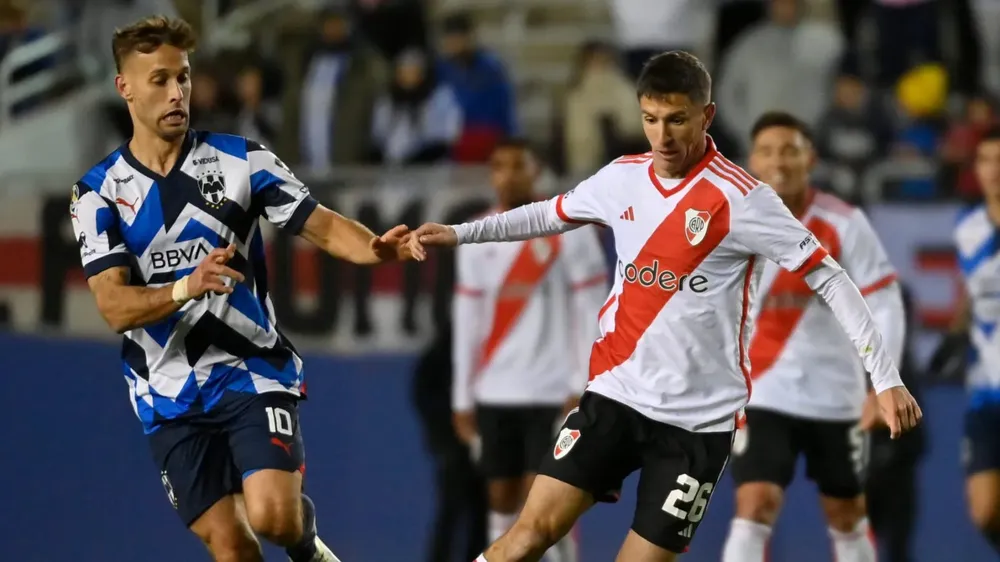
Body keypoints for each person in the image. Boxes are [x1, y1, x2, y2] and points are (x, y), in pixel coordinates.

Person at [412, 50, 922, 562]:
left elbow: (831, 279)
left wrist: (885, 378)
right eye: (650, 119)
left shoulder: (743, 199)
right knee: (527, 535)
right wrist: (458, 234)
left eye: (677, 120)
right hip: (616, 397)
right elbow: (548, 214)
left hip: (697, 425)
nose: (663, 137)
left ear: (707, 115)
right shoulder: (622, 178)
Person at [68, 16, 422, 562]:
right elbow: (114, 307)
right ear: (126, 88)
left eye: (183, 77)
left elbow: (323, 225)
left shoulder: (241, 160)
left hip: (249, 368)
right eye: (160, 80)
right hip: (166, 392)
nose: (177, 92)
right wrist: (187, 286)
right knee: (232, 547)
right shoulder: (97, 194)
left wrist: (375, 247)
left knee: (273, 517)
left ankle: (304, 539)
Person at [719, 112, 905, 562]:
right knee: (755, 503)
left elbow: (884, 302)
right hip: (761, 390)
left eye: (790, 150)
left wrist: (882, 384)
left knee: (846, 514)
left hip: (837, 393)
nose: (778, 162)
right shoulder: (730, 222)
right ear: (751, 161)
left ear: (811, 159)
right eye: (767, 151)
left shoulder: (844, 222)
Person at [452, 139, 608, 562]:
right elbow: (468, 323)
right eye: (499, 166)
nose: (508, 175)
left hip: (555, 393)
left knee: (547, 504)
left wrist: (584, 384)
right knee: (500, 499)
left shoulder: (571, 232)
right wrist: (462, 399)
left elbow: (594, 313)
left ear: (537, 171)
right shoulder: (476, 235)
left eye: (518, 165)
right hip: (495, 392)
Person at [935, 127, 1000, 554]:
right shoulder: (968, 227)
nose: (994, 170)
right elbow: (971, 292)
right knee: (984, 510)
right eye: (986, 160)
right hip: (985, 390)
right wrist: (953, 337)